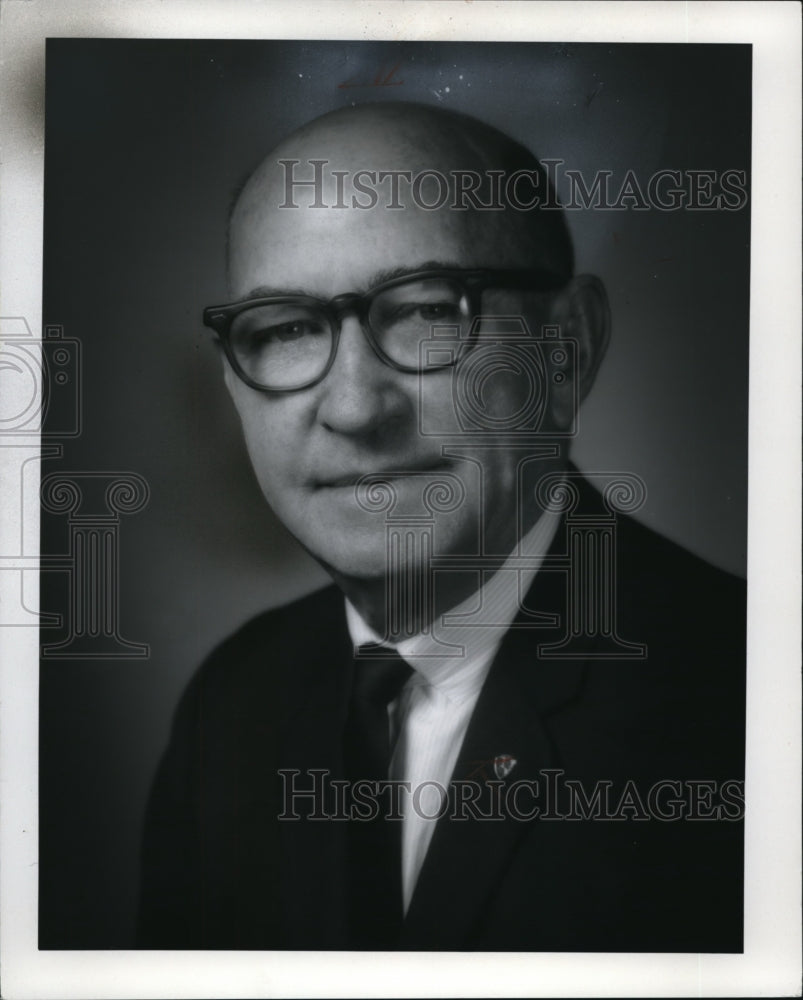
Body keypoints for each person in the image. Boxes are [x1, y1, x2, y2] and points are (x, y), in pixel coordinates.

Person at [137, 102, 745, 952]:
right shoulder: (231, 708)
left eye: (426, 312)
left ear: (564, 349)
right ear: (237, 384)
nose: (353, 407)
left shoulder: (747, 704)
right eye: (284, 329)